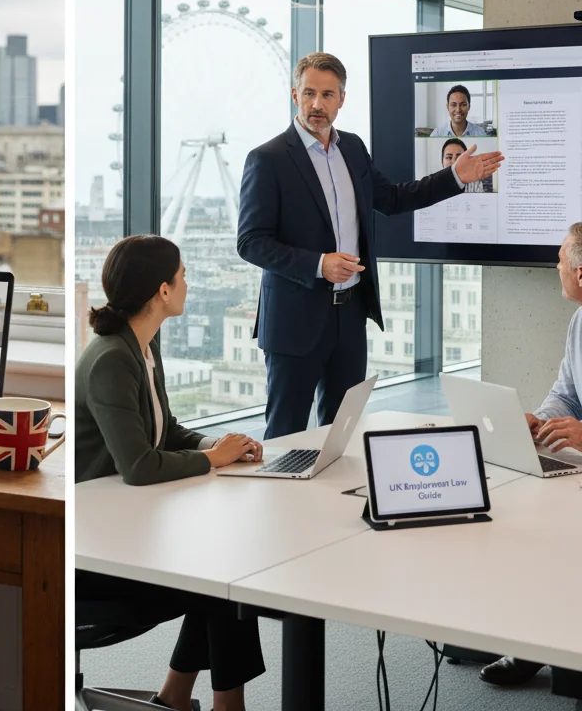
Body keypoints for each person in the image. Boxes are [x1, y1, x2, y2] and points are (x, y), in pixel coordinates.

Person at [237, 52, 503, 439]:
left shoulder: (353, 149)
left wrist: (453, 177)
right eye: (309, 93)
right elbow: (250, 242)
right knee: (286, 435)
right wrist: (319, 263)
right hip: (294, 322)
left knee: (341, 433)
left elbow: (393, 199)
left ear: (342, 99)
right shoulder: (268, 159)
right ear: (295, 94)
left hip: (349, 316)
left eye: (328, 94)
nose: (317, 104)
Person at [77, 234, 265, 711]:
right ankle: (223, 706)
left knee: (221, 569)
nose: (188, 284)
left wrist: (219, 446)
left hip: (130, 527)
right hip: (95, 559)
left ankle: (175, 698)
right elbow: (139, 466)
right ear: (162, 290)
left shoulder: (140, 343)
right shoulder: (112, 358)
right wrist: (211, 460)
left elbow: (166, 429)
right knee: (220, 577)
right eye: (183, 276)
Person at [479, 222, 582, 687]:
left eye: (560, 261)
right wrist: (541, 421)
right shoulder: (580, 321)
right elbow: (566, 393)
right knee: (523, 510)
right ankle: (530, 644)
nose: (555, 268)